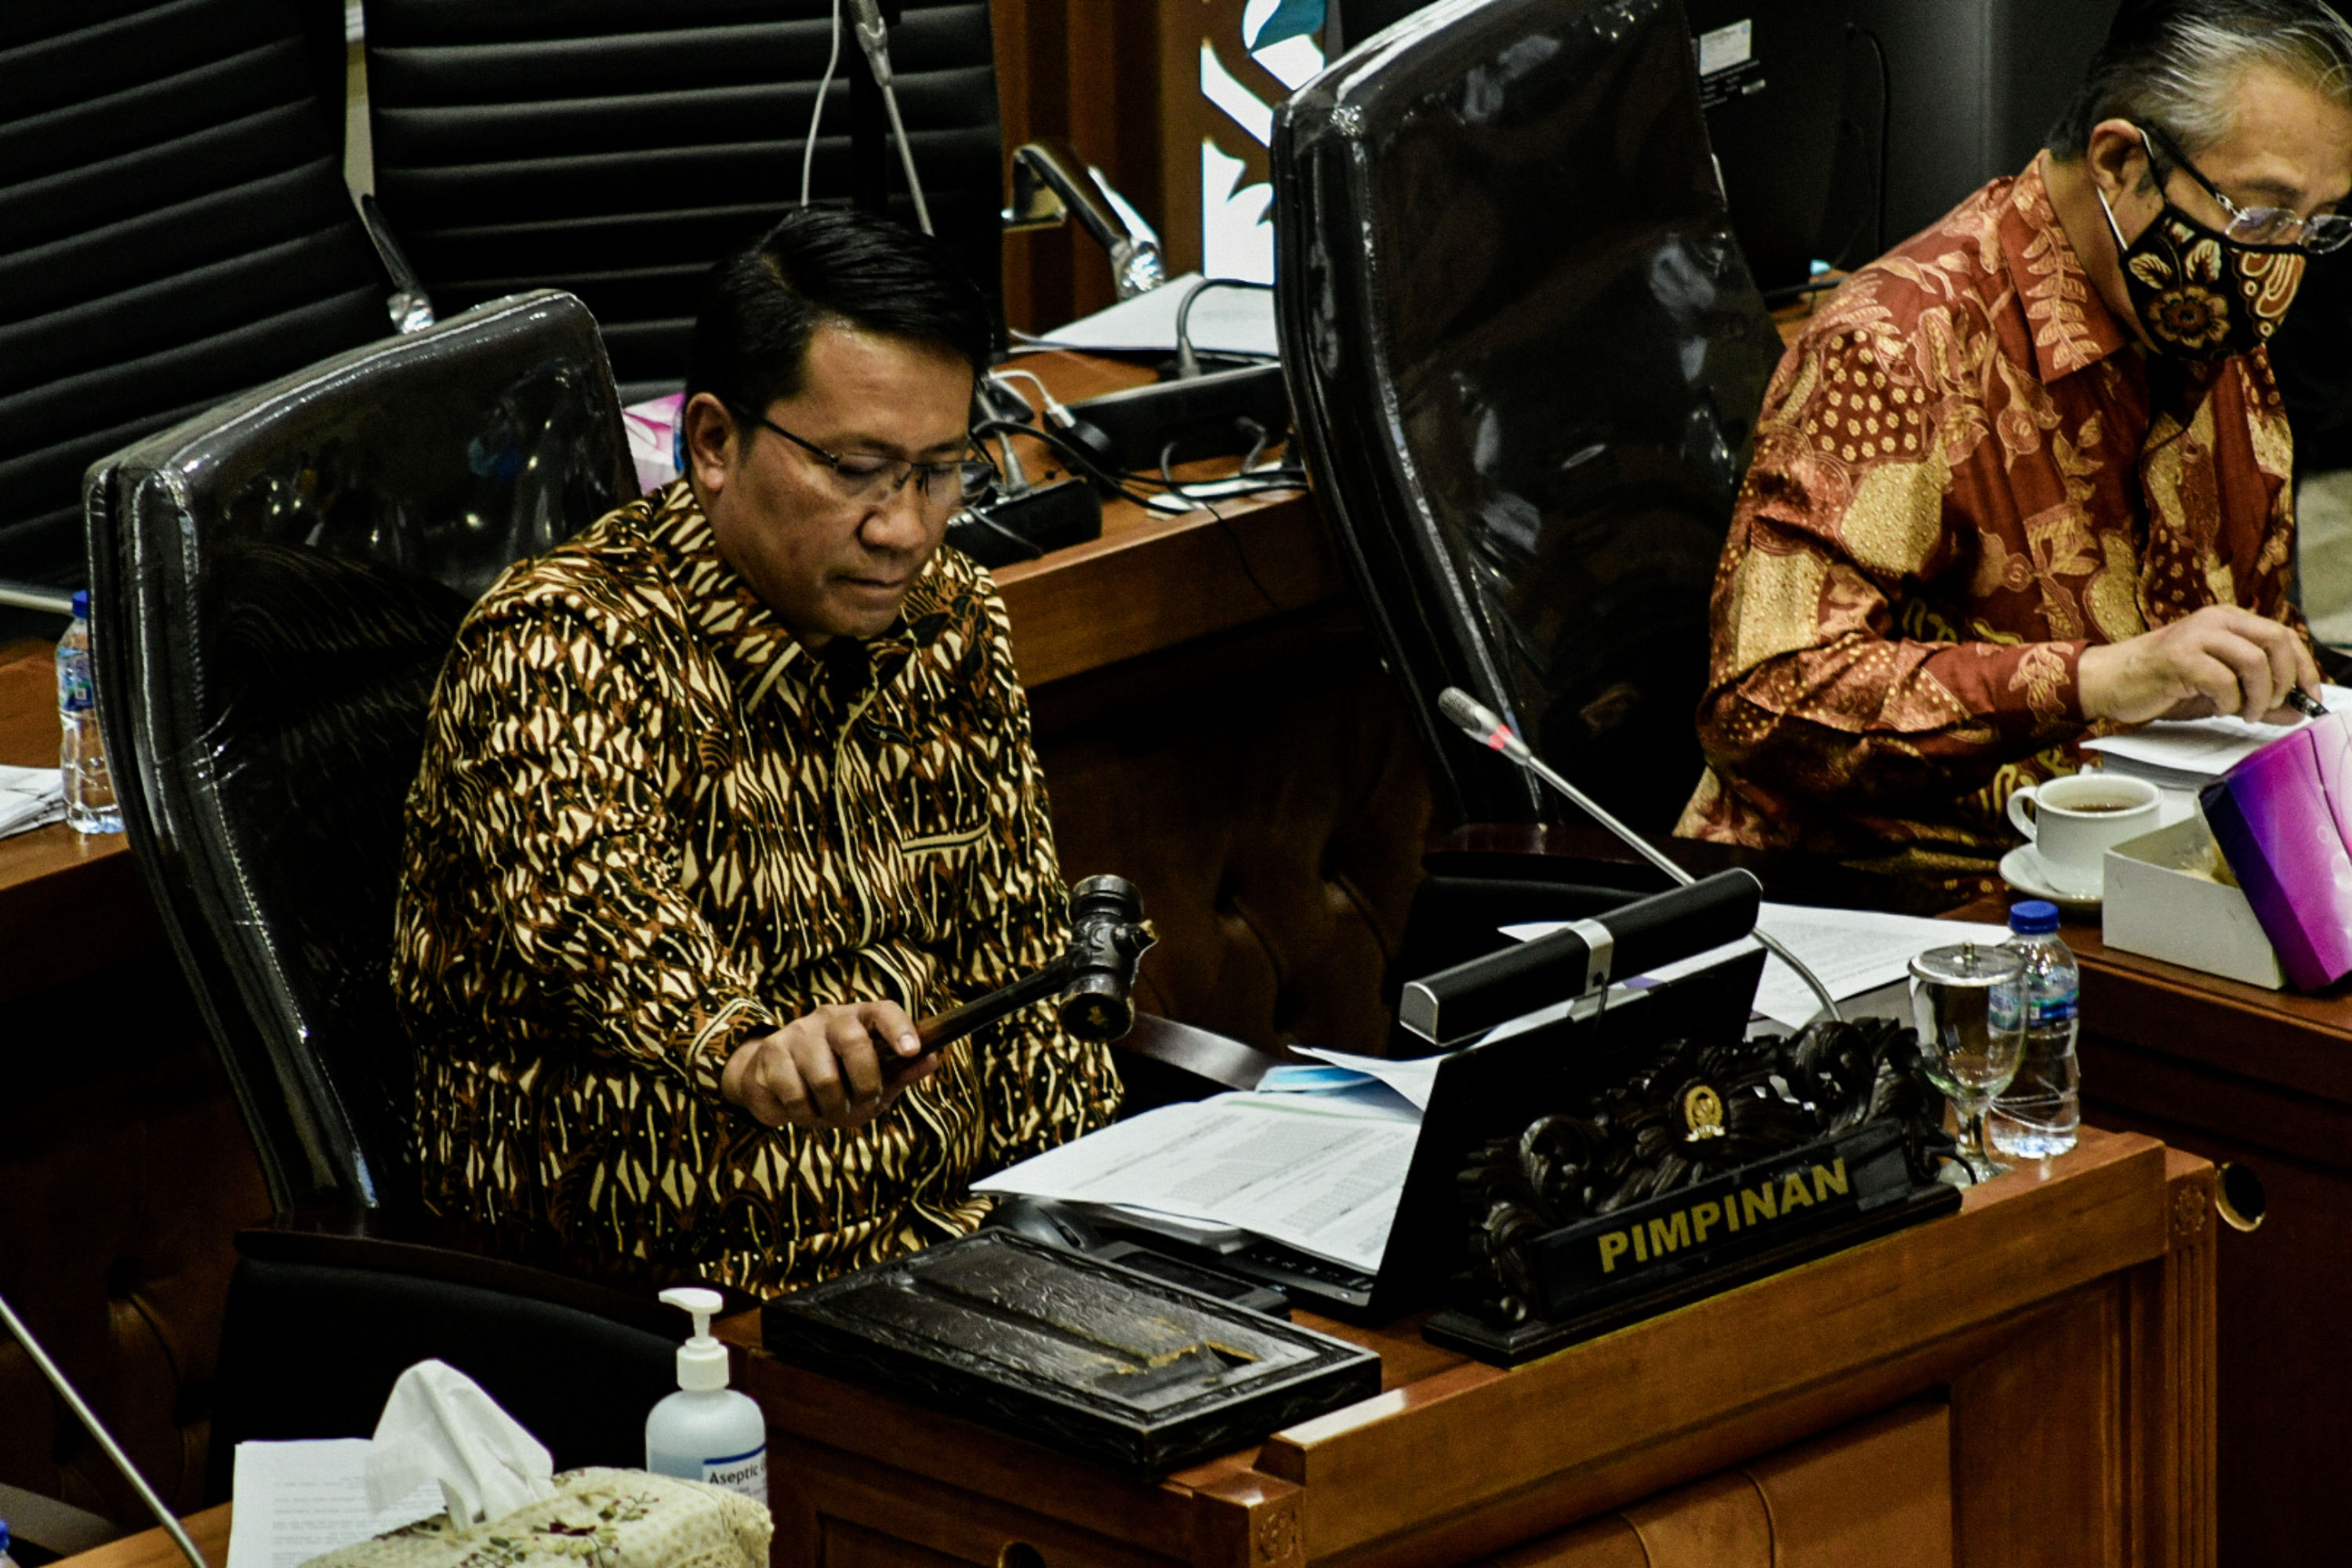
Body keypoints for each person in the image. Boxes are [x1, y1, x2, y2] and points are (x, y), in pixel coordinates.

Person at [392, 208, 1120, 1295]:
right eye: (860, 469)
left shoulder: (950, 615)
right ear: (717, 444)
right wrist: (744, 1047)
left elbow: (1007, 952)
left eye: (939, 471)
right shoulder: (563, 643)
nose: (906, 529)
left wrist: (1096, 1220)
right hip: (683, 1305)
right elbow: (595, 909)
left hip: (956, 1249)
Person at [1677, 0, 2352, 890]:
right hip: (1907, 903)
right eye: (2262, 218)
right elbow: (1763, 701)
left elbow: (2257, 652)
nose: (2282, 268)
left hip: (2152, 874)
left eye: (2319, 225)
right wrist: (2094, 680)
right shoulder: (1899, 346)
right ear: (2119, 161)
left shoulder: (2212, 333)